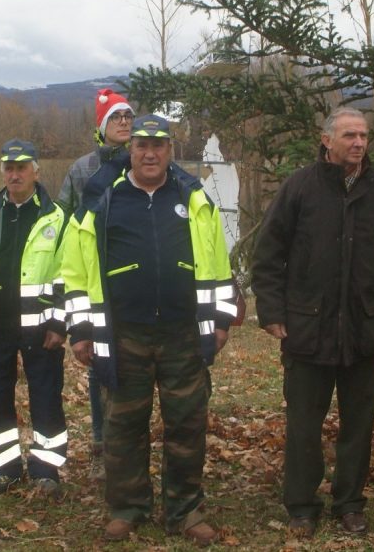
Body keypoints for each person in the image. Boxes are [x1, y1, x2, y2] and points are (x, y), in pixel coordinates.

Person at [60, 114, 236, 545]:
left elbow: (217, 263)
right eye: (142, 145)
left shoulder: (193, 199)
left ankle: (185, 511)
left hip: (183, 334)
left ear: (170, 150)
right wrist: (81, 329)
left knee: (187, 426)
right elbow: (74, 269)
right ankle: (127, 508)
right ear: (131, 150)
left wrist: (220, 320)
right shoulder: (104, 199)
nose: (150, 153)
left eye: (159, 145)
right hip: (124, 336)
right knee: (123, 427)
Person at [252, 107, 374, 537]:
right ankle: (302, 506)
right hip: (308, 329)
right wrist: (272, 312)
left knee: (358, 425)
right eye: (349, 136)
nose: (358, 143)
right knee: (304, 425)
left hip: (365, 331)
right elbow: (268, 255)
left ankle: (350, 503)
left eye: (363, 136)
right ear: (327, 140)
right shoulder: (299, 188)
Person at [0, 140, 69, 496]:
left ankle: (46, 471)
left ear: (36, 171)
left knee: (46, 398)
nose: (15, 174)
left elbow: (69, 275)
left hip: (41, 329)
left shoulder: (58, 217)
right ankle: (5, 468)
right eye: (9, 167)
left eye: (21, 167)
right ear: (2, 171)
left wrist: (59, 324)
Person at [58, 87, 134, 481]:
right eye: (115, 117)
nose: (124, 122)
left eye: (128, 116)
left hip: (134, 281)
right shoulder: (82, 169)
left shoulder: (144, 162)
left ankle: (130, 446)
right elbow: (63, 222)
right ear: (101, 126)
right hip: (93, 281)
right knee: (98, 364)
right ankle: (102, 444)